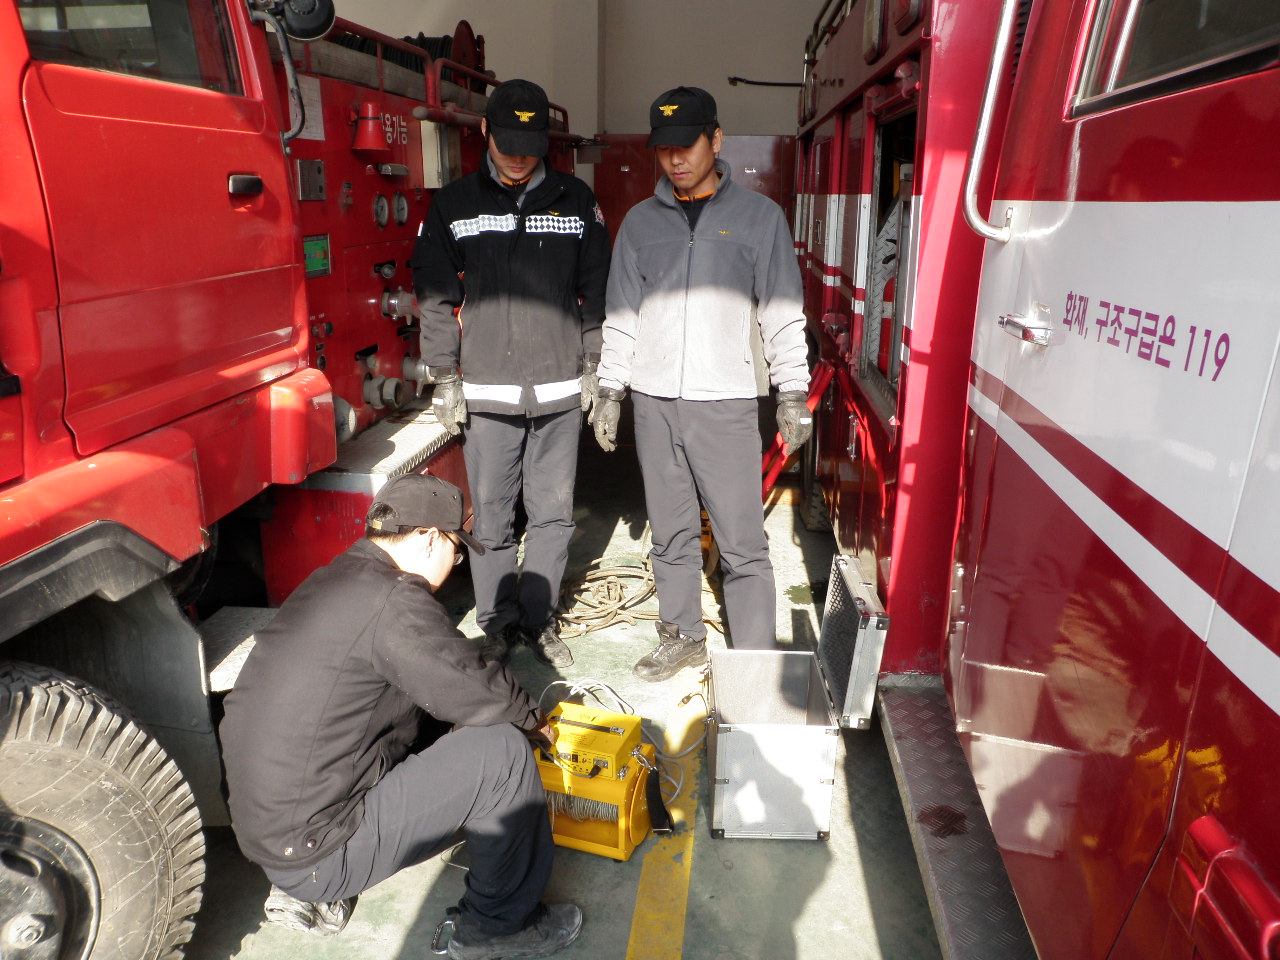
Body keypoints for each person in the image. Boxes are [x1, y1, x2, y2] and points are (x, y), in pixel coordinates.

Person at [219, 473, 582, 960]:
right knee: (503, 753)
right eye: (456, 550)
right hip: (315, 851)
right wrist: (536, 722)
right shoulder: (394, 600)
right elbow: (474, 686)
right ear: (430, 537)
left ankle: (308, 882)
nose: (455, 563)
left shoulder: (336, 580)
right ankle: (495, 929)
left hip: (271, 828)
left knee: (432, 713)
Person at [592, 86, 812, 682]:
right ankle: (682, 635)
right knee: (670, 532)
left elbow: (782, 311)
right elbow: (622, 313)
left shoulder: (759, 218)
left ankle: (755, 659)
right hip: (655, 403)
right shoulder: (640, 223)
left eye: (686, 146)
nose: (674, 160)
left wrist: (792, 392)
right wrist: (611, 389)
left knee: (742, 540)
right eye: (663, 149)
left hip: (726, 404)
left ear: (715, 141)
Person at [412, 78, 610, 669]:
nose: (520, 157)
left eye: (531, 146)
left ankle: (539, 620)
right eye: (508, 144)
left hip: (559, 389)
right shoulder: (454, 205)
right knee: (493, 515)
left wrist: (596, 365)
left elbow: (598, 292)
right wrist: (444, 375)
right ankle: (497, 625)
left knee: (552, 514)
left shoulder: (577, 201)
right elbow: (435, 297)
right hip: (488, 391)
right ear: (485, 132)